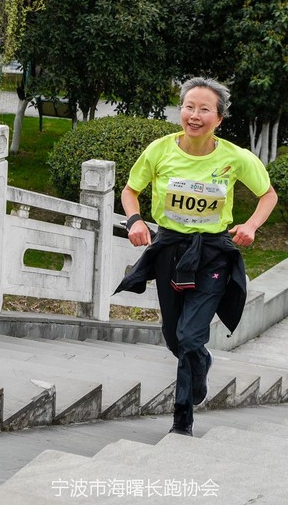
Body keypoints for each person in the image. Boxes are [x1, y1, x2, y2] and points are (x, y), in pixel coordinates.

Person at [115, 77, 278, 436]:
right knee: (175, 338)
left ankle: (181, 419)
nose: (195, 115)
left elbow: (268, 195)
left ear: (219, 119)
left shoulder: (235, 157)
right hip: (170, 249)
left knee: (190, 335)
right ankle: (201, 361)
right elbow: (130, 190)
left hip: (213, 254)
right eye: (189, 106)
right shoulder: (159, 150)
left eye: (205, 109)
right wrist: (135, 221)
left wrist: (250, 225)